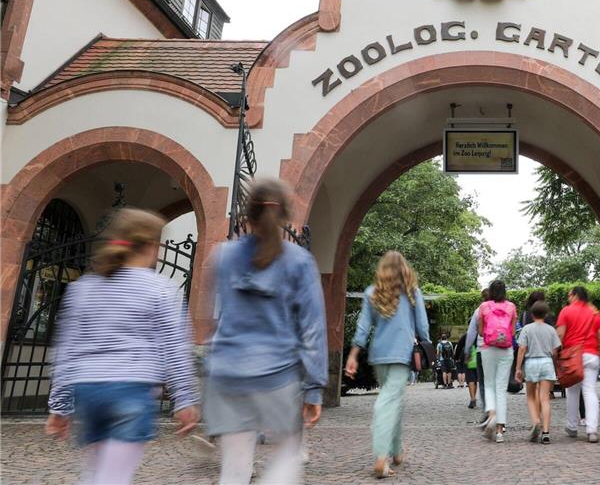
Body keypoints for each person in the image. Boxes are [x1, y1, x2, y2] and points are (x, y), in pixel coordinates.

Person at [46, 208, 200, 485]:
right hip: (132, 389)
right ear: (152, 246)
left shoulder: (84, 288)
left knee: (97, 472)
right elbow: (174, 349)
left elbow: (66, 349)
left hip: (89, 391)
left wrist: (59, 406)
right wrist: (184, 398)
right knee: (114, 476)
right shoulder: (160, 288)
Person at [203, 179, 327, 485]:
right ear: (285, 215)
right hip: (277, 375)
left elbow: (213, 317)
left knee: (234, 470)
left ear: (248, 214)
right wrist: (314, 388)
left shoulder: (222, 256)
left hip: (227, 374)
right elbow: (312, 330)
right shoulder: (299, 261)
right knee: (287, 457)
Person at [345, 251, 431, 478]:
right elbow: (423, 326)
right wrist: (426, 346)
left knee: (394, 401)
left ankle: (397, 450)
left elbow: (363, 327)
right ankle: (381, 457)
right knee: (387, 403)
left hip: (379, 354)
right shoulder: (412, 293)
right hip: (402, 354)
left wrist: (353, 354)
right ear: (404, 269)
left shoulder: (372, 292)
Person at [556, 286, 600, 442]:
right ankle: (592, 430)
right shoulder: (594, 312)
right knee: (590, 390)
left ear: (575, 295)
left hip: (573, 355)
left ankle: (572, 426)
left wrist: (558, 353)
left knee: (572, 391)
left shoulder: (566, 311)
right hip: (592, 354)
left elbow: (560, 334)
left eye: (569, 295)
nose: (568, 298)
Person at [514, 300, 561, 444]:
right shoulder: (551, 329)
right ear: (545, 314)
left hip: (531, 363)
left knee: (530, 396)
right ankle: (546, 432)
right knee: (545, 398)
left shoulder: (527, 329)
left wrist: (518, 368)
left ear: (532, 314)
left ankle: (535, 421)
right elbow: (555, 351)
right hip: (546, 362)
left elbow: (522, 349)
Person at [476, 280, 518, 443]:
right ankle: (500, 431)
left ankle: (492, 414)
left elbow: (481, 331)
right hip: (506, 349)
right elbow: (512, 332)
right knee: (501, 388)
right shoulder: (511, 307)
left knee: (489, 384)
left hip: (488, 348)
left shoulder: (484, 307)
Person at [464, 288, 490, 416]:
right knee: (496, 384)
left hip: (482, 349)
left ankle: (488, 411)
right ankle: (499, 414)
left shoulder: (479, 310)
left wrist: (467, 350)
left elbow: (471, 333)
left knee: (483, 383)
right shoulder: (503, 307)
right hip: (500, 349)